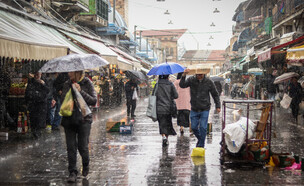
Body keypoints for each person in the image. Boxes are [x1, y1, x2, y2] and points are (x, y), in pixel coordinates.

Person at [60, 70, 97, 183]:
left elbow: (93, 101)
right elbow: (62, 100)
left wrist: (80, 91)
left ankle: (85, 164)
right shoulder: (67, 84)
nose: (68, 73)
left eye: (71, 72)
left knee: (83, 147)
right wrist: (71, 91)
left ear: (78, 73)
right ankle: (72, 172)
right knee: (71, 147)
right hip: (69, 119)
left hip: (84, 119)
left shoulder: (87, 83)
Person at [179, 68, 221, 148]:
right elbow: (182, 85)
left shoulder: (209, 82)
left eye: (201, 75)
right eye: (198, 75)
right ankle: (201, 139)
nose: (199, 76)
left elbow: (215, 94)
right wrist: (184, 75)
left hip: (205, 108)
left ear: (204, 74)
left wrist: (218, 105)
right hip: (194, 108)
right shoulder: (191, 80)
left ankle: (201, 145)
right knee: (194, 127)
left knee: (203, 127)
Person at [154, 75, 178, 147]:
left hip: (159, 108)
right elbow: (176, 95)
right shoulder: (170, 84)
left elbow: (153, 95)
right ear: (167, 77)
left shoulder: (157, 85)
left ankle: (163, 136)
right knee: (167, 124)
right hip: (168, 108)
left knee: (161, 124)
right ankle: (166, 138)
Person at [25, 72, 49, 139]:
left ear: (41, 74)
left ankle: (37, 131)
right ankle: (34, 131)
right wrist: (27, 101)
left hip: (41, 103)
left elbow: (48, 90)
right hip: (33, 103)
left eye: (38, 74)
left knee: (40, 119)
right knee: (33, 118)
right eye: (36, 74)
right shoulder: (31, 81)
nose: (37, 76)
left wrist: (43, 84)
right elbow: (27, 91)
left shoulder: (44, 80)